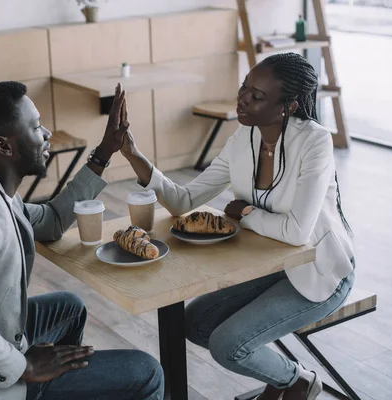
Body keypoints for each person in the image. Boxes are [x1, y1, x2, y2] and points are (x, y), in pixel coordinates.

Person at [0, 81, 164, 400]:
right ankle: (36, 387)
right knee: (146, 372)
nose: (47, 134)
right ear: (4, 146)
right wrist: (23, 367)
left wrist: (104, 151)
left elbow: (53, 220)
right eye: (36, 126)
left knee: (69, 307)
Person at [119, 52, 355, 400]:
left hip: (320, 271)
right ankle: (286, 379)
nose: (242, 99)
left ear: (287, 107)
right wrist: (133, 154)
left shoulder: (315, 142)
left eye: (256, 96)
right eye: (245, 87)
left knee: (228, 345)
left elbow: (297, 233)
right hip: (269, 265)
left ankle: (298, 380)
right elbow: (184, 200)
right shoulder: (242, 139)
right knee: (194, 324)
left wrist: (245, 211)